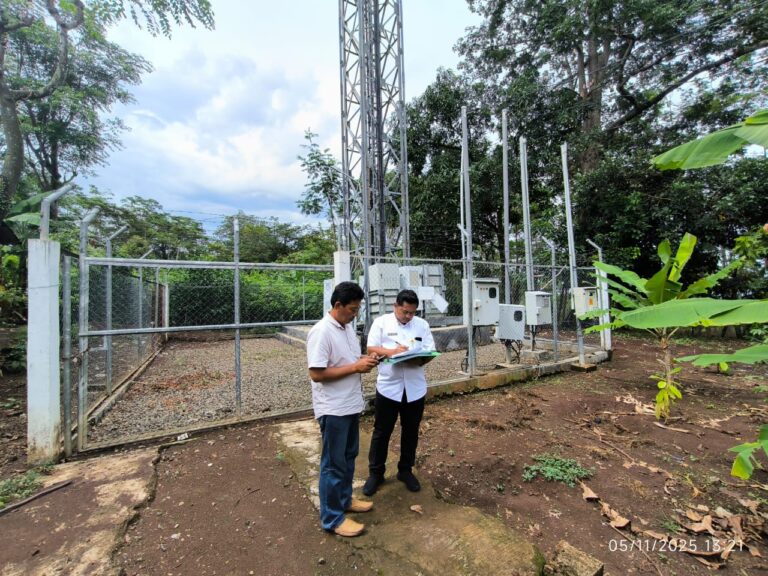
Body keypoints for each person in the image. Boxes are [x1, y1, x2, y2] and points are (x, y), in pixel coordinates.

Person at [306, 281, 379, 537]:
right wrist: (355, 367)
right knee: (333, 464)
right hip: (333, 408)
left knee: (348, 457)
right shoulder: (321, 332)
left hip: (350, 404)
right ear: (338, 305)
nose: (355, 314)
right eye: (352, 309)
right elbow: (316, 373)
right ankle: (332, 518)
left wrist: (365, 360)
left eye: (358, 309)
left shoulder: (346, 328)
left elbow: (347, 361)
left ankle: (345, 499)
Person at [363, 289, 436, 496]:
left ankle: (405, 470)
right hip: (388, 387)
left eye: (412, 312)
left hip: (415, 387)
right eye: (405, 312)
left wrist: (421, 359)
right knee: (382, 431)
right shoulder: (381, 323)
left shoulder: (422, 325)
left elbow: (430, 348)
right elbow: (371, 349)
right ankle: (376, 473)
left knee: (411, 430)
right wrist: (392, 352)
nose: (409, 316)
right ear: (395, 306)